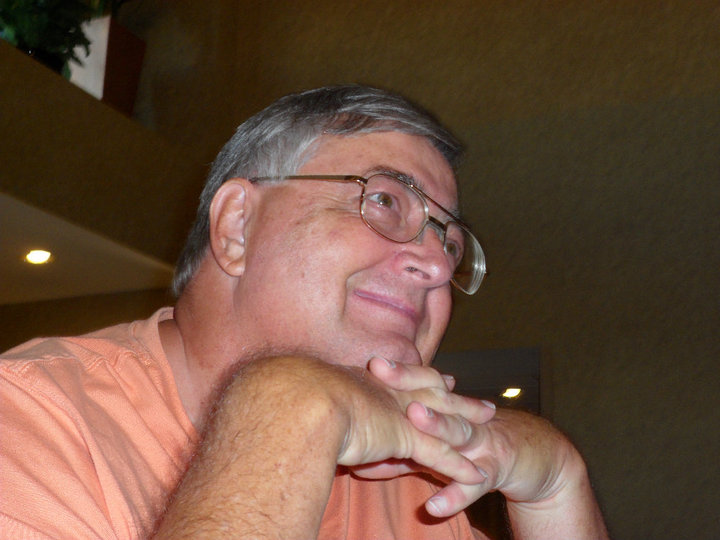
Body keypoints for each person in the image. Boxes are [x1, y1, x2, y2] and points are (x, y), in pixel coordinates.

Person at [0, 85, 609, 539]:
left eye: (449, 244)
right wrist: (286, 405)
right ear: (237, 226)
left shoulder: (411, 481)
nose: (436, 265)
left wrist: (559, 481)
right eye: (384, 200)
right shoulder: (29, 419)